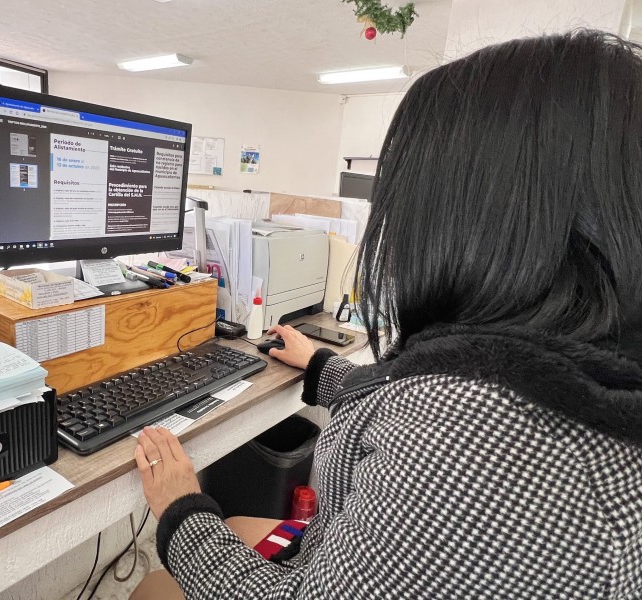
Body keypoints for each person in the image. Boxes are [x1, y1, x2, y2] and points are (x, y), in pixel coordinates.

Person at [132, 29, 642, 599]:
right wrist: (323, 367)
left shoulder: (476, 443)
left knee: (152, 587)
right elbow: (422, 392)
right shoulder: (574, 381)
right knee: (238, 528)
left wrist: (181, 510)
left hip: (313, 575)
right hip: (333, 551)